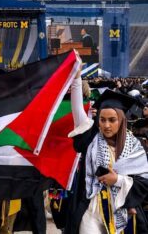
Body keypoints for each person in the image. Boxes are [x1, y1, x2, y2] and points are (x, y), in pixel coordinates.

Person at [64, 66, 148, 234]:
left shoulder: (134, 147)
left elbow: (143, 183)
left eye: (112, 120)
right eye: (102, 120)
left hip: (121, 210)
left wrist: (116, 179)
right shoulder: (90, 138)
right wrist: (76, 77)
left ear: (122, 121)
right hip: (91, 207)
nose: (106, 125)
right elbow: (77, 107)